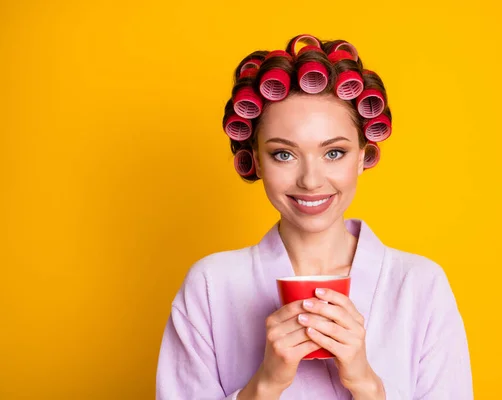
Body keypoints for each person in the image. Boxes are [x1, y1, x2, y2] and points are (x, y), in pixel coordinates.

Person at [156, 34, 473, 400]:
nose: (310, 180)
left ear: (361, 156)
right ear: (256, 159)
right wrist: (266, 384)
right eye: (283, 155)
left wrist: (367, 385)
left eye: (334, 153)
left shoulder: (420, 286)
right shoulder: (209, 286)